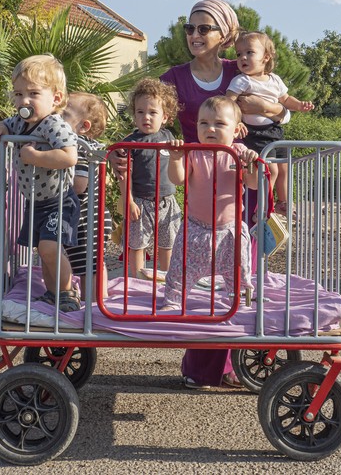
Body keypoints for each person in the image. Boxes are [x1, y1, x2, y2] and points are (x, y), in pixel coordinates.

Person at [159, 0, 284, 389]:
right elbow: (154, 120)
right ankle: (201, 369)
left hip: (240, 182)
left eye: (204, 28)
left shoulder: (240, 68)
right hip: (200, 185)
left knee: (236, 278)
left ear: (226, 35)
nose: (194, 35)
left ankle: (234, 364)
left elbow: (280, 109)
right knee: (202, 282)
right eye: (189, 29)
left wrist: (264, 111)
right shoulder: (174, 76)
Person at [0, 54, 80, 311]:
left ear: (56, 98)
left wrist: (35, 156)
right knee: (43, 251)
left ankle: (67, 291)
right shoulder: (20, 121)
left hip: (59, 201)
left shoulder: (53, 124)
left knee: (51, 249)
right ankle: (53, 292)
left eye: (33, 94)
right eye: (18, 94)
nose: (23, 101)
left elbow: (69, 156)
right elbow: (6, 124)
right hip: (35, 201)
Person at [160, 97, 258, 311]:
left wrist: (251, 164)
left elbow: (253, 184)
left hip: (230, 229)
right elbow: (179, 179)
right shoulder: (193, 151)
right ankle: (173, 301)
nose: (210, 128)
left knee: (239, 271)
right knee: (180, 269)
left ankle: (241, 302)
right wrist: (176, 158)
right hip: (195, 228)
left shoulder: (239, 153)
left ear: (237, 130)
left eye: (220, 124)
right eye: (203, 123)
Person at [226, 31, 315, 213]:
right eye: (239, 54)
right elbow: (228, 103)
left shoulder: (275, 80)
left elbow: (286, 99)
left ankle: (284, 202)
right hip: (254, 134)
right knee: (270, 171)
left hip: (274, 131)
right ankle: (264, 205)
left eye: (249, 52)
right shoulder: (241, 80)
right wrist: (237, 122)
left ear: (266, 57)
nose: (243, 57)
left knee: (284, 168)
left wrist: (300, 105)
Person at [117, 78, 182, 280]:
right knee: (137, 244)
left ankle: (167, 280)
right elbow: (123, 173)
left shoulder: (168, 137)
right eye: (140, 112)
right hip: (140, 201)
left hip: (167, 201)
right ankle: (137, 281)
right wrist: (127, 199)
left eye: (153, 112)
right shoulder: (131, 142)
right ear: (134, 115)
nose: (146, 117)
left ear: (165, 117)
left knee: (167, 244)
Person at [61, 92, 114, 300]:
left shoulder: (78, 146)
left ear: (84, 127)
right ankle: (99, 298)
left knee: (88, 265)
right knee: (91, 263)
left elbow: (79, 184)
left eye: (64, 114)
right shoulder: (84, 145)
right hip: (90, 214)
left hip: (87, 217)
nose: (57, 117)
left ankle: (93, 304)